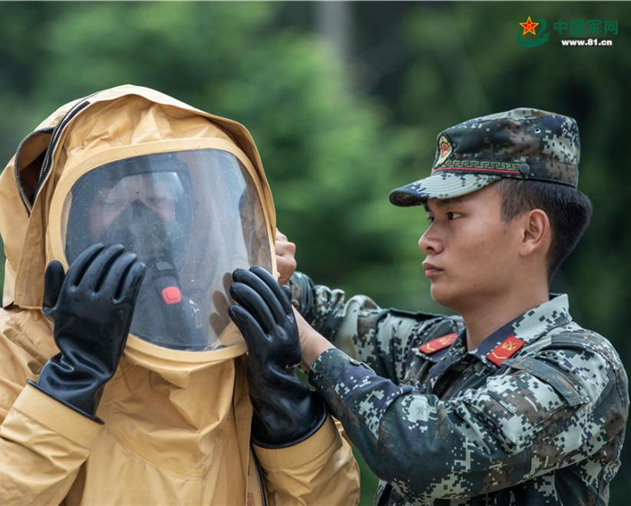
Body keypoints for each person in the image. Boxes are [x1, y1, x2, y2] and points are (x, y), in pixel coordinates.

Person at [0, 85, 359, 505]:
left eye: (161, 195)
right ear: (69, 217)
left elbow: (331, 499)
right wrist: (71, 378)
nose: (143, 219)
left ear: (196, 213)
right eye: (114, 197)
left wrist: (284, 402)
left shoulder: (227, 347)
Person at [229, 108, 629, 505]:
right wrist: (265, 263)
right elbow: (324, 312)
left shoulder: (580, 364)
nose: (427, 239)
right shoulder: (437, 345)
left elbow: (431, 455)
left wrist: (307, 343)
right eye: (431, 218)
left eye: (453, 216)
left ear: (530, 232)